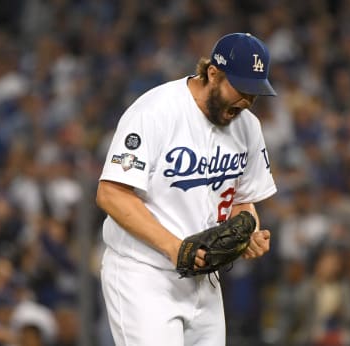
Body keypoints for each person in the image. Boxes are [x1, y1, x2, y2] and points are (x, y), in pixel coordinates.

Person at [96, 32, 278, 346]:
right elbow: (111, 193)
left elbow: (243, 202)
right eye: (241, 88)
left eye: (255, 92)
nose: (247, 100)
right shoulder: (154, 111)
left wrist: (249, 232)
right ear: (213, 73)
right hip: (143, 275)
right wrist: (174, 247)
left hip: (204, 280)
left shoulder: (248, 127)